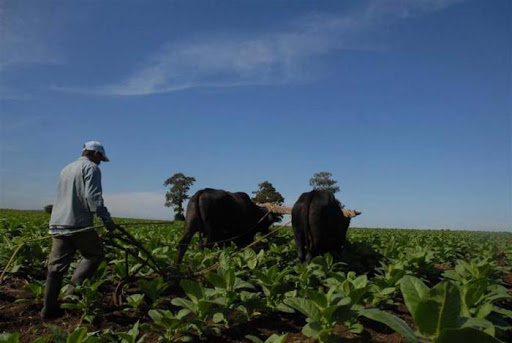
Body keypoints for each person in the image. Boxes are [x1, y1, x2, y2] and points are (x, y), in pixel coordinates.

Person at [41, 141, 117, 319]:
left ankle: (48, 309)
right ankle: (70, 296)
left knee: (55, 268)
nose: (100, 163)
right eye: (101, 159)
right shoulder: (91, 168)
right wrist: (106, 219)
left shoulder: (67, 168)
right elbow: (93, 197)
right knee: (94, 255)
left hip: (58, 224)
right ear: (96, 154)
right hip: (79, 224)